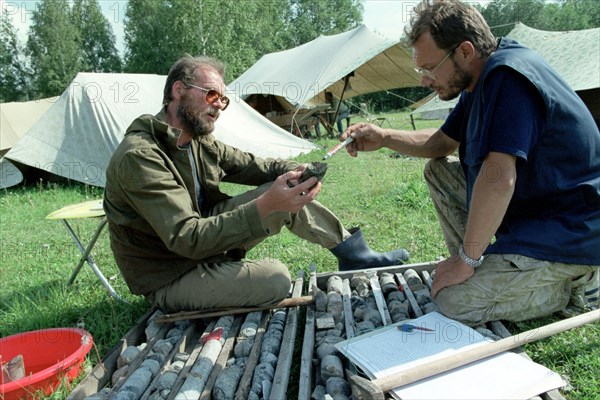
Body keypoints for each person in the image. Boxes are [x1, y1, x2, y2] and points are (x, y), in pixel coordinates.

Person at [340, 0, 599, 326]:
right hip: (533, 215)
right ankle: (479, 263)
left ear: (464, 51)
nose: (424, 80)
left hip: (569, 231)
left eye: (429, 68)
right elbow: (440, 145)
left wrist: (466, 260)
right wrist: (384, 137)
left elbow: (499, 176)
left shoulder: (509, 77)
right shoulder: (478, 80)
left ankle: (577, 287)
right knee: (438, 170)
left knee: (454, 303)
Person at [103, 55, 409, 313]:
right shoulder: (140, 156)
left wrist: (295, 170)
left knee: (279, 188)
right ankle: (218, 277)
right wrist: (268, 205)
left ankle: (352, 254)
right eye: (212, 95)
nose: (219, 106)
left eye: (223, 99)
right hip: (169, 273)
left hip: (204, 244)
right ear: (179, 90)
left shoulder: (199, 141)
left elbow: (256, 166)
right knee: (275, 279)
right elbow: (186, 238)